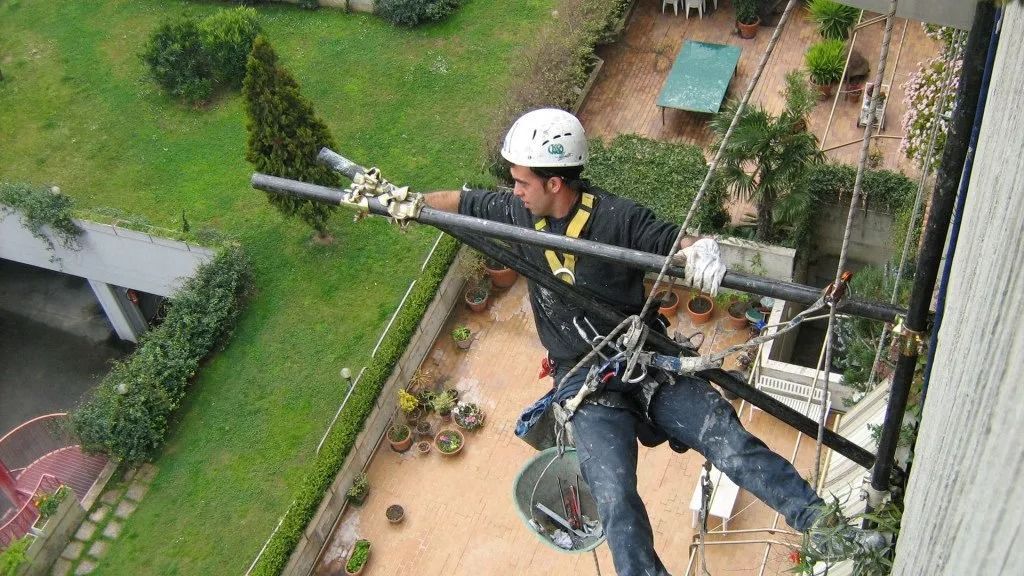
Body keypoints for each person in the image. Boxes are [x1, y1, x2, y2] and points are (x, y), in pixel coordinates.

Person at [424, 109, 839, 575]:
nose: (514, 190)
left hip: (646, 360)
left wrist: (697, 248)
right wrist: (405, 201)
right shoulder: (515, 213)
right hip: (585, 379)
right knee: (616, 499)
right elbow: (461, 202)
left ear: (555, 182)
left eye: (522, 181)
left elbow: (669, 240)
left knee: (728, 441)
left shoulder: (617, 219)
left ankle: (821, 523)